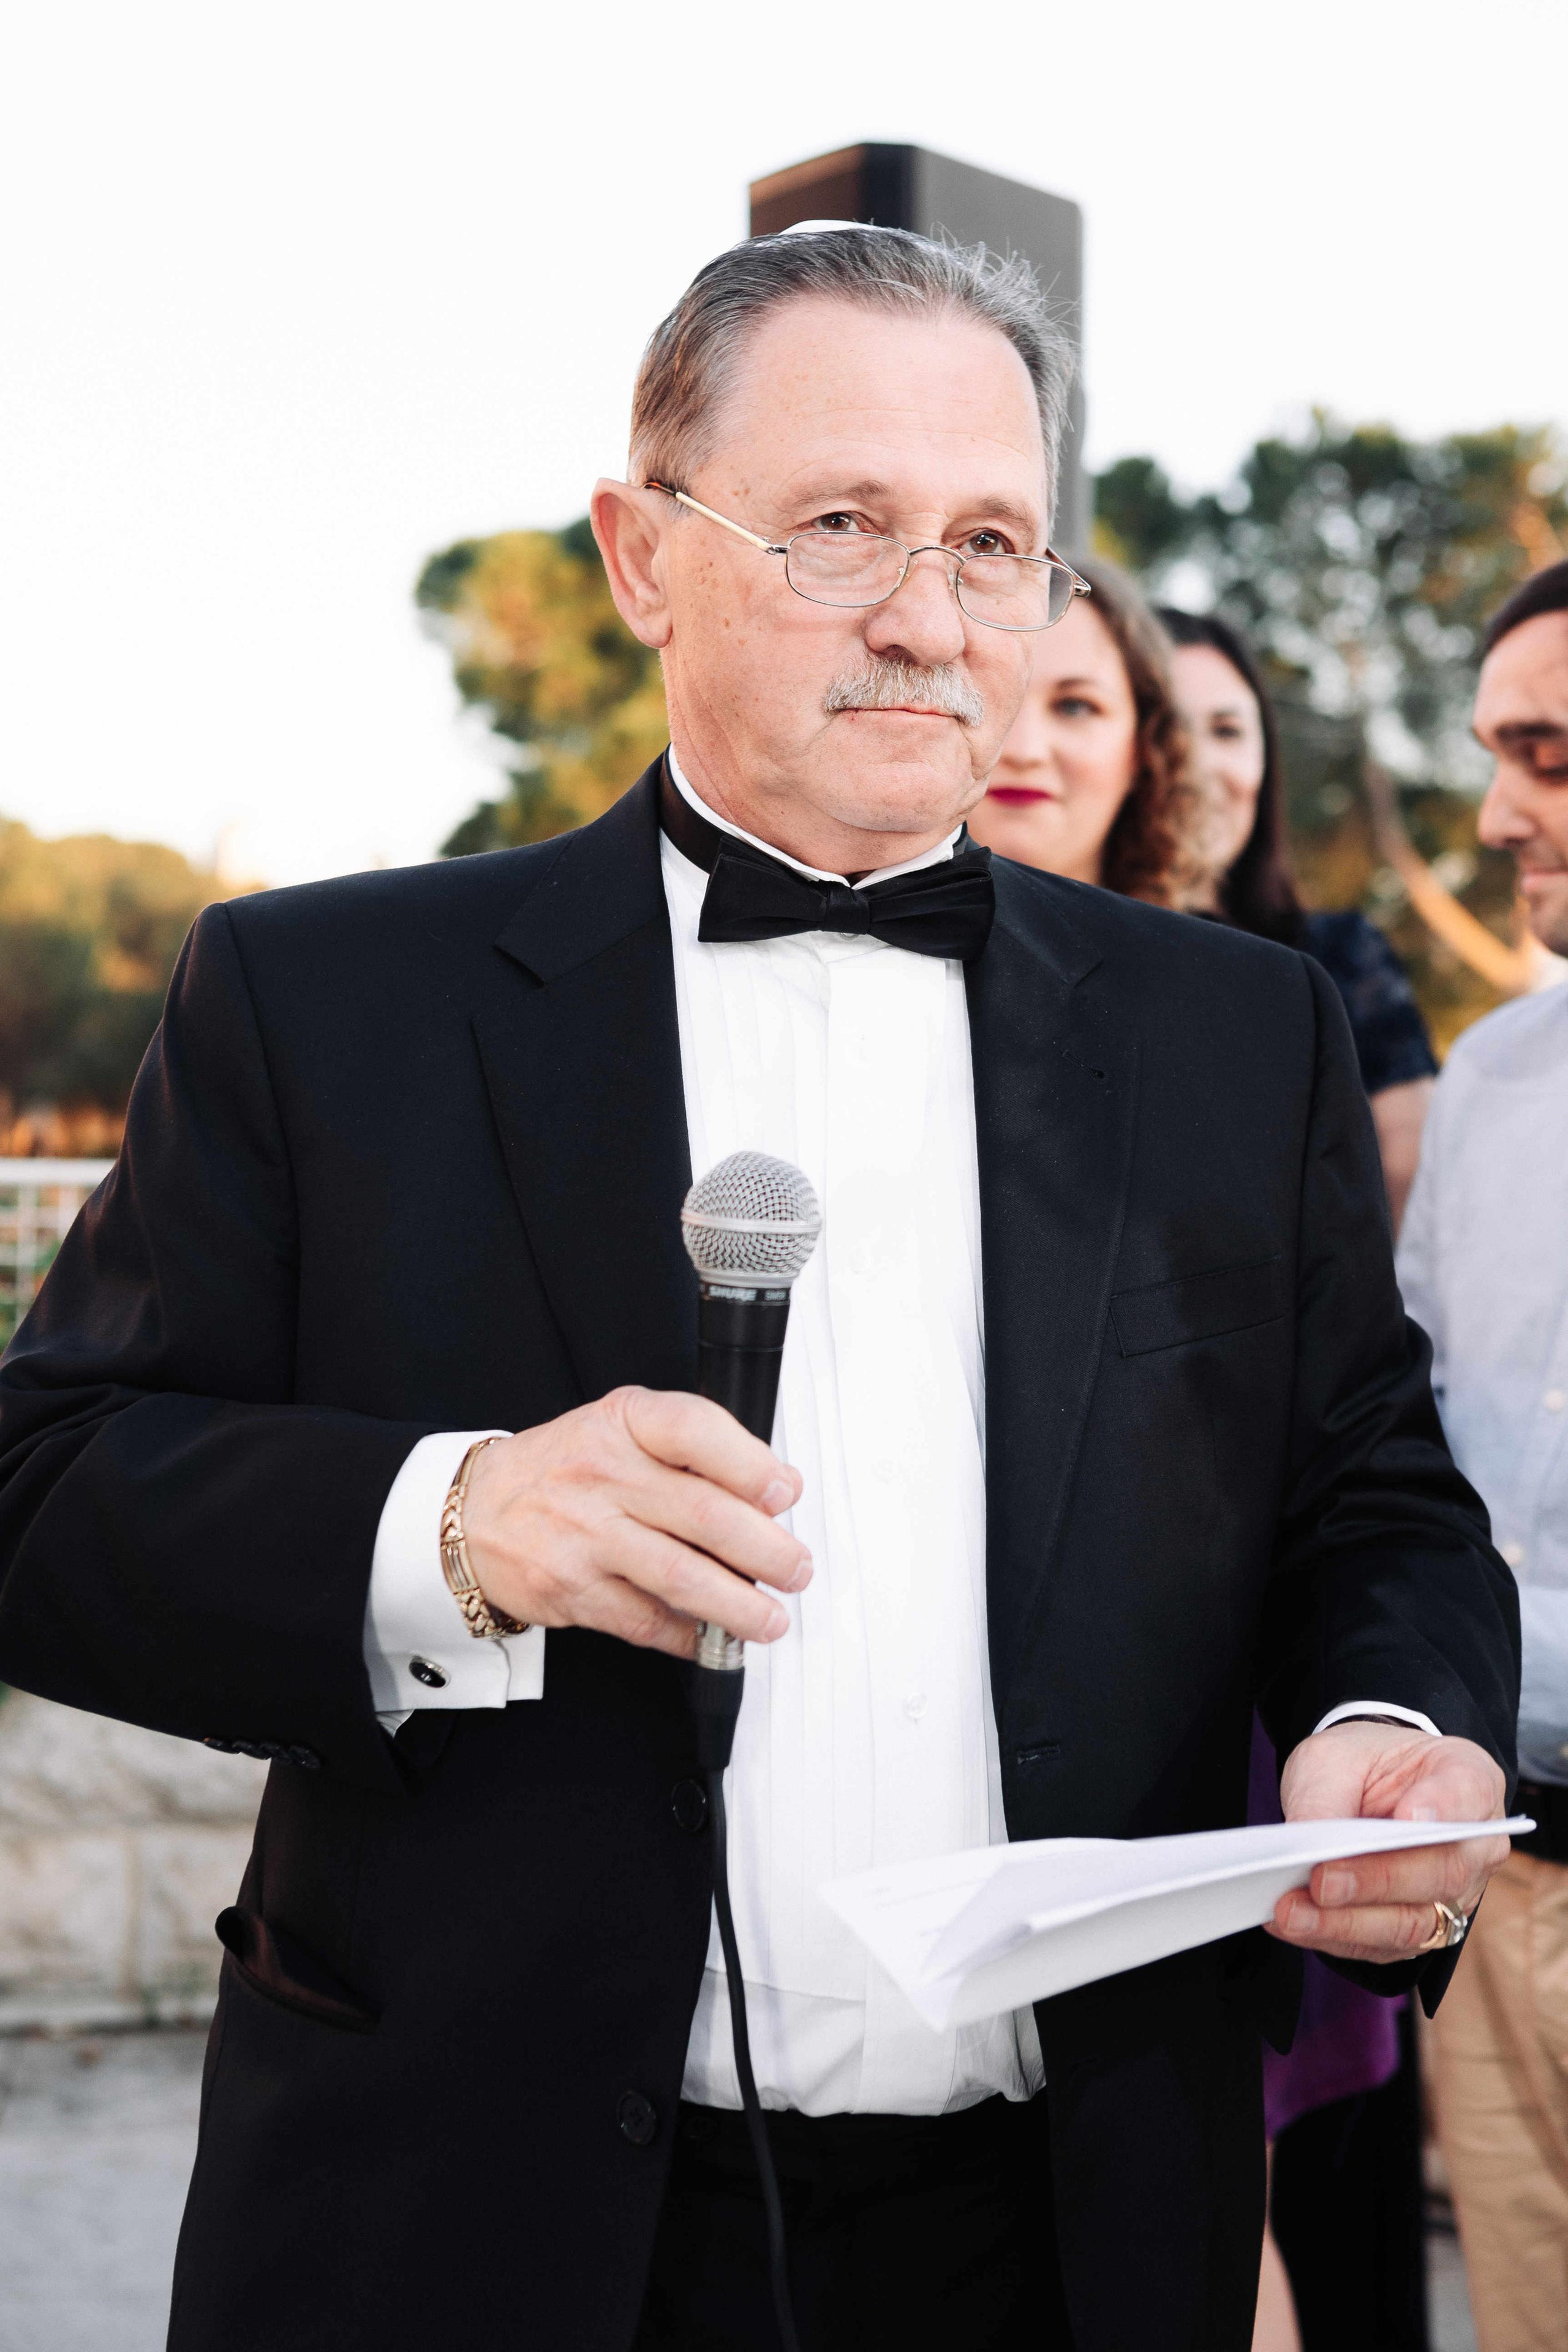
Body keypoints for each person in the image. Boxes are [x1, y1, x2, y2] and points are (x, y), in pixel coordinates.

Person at [0, 226, 1518, 2352]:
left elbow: (1370, 1486)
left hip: (1072, 2233)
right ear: (642, 556)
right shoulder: (322, 1000)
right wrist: (441, 1528)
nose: (928, 616)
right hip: (470, 2219)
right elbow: (45, 1492)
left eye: (996, 543)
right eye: (838, 527)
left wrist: (1384, 1720)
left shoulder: (1234, 1035)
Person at [1396, 558, 1568, 2352]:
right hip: (1494, 1888)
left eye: (1549, 751)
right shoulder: (1485, 1089)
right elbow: (1416, 1468)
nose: (1493, 807)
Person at [1161, 608, 1437, 1232]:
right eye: (1167, 727)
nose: (1199, 766)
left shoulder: (1342, 958)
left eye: (1227, 731)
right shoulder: (1040, 954)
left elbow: (1413, 1179)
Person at [965, 554, 1209, 905]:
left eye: (1075, 706)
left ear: (1146, 746)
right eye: (988, 698)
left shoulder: (1206, 959)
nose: (1024, 751)